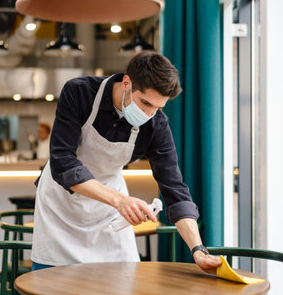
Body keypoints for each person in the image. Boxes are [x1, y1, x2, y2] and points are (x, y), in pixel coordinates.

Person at [32, 52, 222, 273]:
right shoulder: (80, 92)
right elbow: (63, 162)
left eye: (157, 108)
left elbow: (175, 188)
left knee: (121, 282)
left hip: (110, 212)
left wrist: (198, 249)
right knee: (52, 283)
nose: (149, 114)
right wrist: (120, 201)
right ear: (126, 83)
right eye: (145, 103)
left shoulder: (156, 125)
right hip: (62, 206)